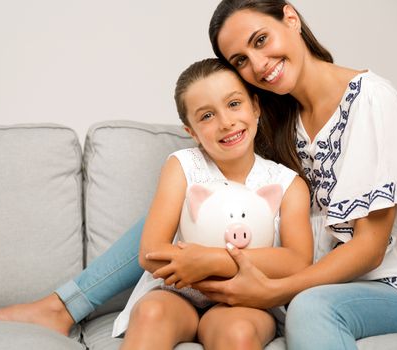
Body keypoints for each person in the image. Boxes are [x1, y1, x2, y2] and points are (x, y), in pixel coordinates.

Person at [0, 0, 397, 348]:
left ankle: (63, 305)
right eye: (239, 60)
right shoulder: (284, 117)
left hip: (375, 282)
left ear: (290, 18)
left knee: (311, 307)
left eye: (261, 40)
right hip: (304, 266)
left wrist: (269, 290)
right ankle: (63, 306)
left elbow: (370, 246)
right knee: (189, 203)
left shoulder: (371, 100)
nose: (257, 65)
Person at [115, 58, 312, 349]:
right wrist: (189, 268)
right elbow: (151, 253)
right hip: (179, 292)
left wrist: (211, 259)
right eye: (207, 116)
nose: (226, 122)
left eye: (234, 104)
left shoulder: (287, 184)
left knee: (238, 333)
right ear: (191, 131)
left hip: (246, 298)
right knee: (150, 313)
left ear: (255, 106)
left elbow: (297, 260)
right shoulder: (182, 166)